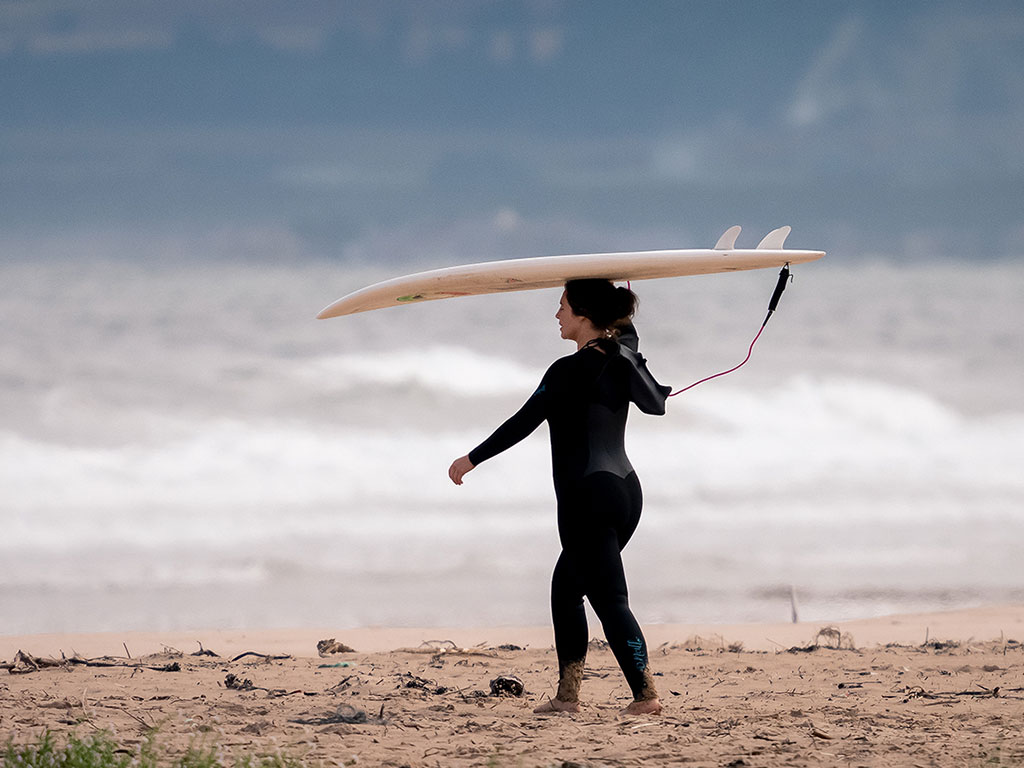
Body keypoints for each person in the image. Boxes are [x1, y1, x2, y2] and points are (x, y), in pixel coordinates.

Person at [448, 278, 671, 715]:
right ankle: (567, 697)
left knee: (610, 600)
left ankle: (646, 698)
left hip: (587, 497)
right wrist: (621, 325)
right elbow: (651, 391)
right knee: (567, 588)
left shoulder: (566, 371)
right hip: (624, 492)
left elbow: (523, 421)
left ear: (584, 317)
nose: (557, 315)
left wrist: (471, 459)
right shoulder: (623, 357)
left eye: (563, 306)